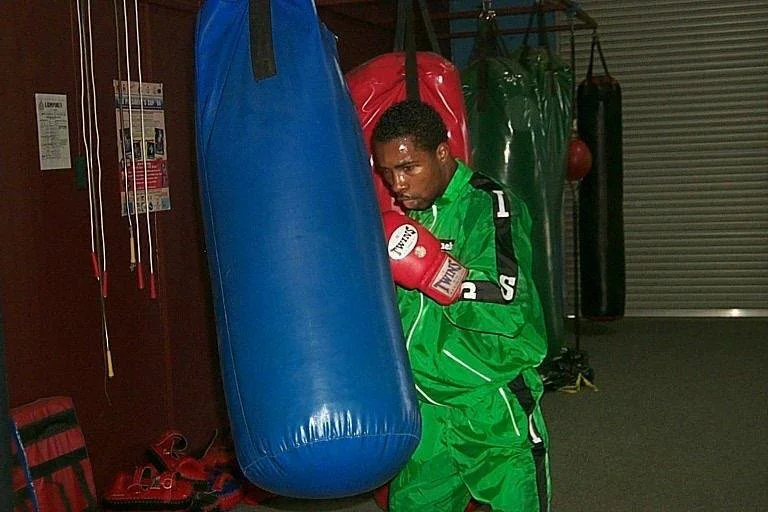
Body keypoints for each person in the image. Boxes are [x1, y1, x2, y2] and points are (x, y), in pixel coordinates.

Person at [372, 99, 551, 512]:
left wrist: (434, 271)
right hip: (426, 406)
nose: (397, 184)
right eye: (387, 172)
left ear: (442, 152)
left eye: (408, 168)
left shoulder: (489, 206)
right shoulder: (406, 216)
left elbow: (507, 297)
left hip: (489, 402)